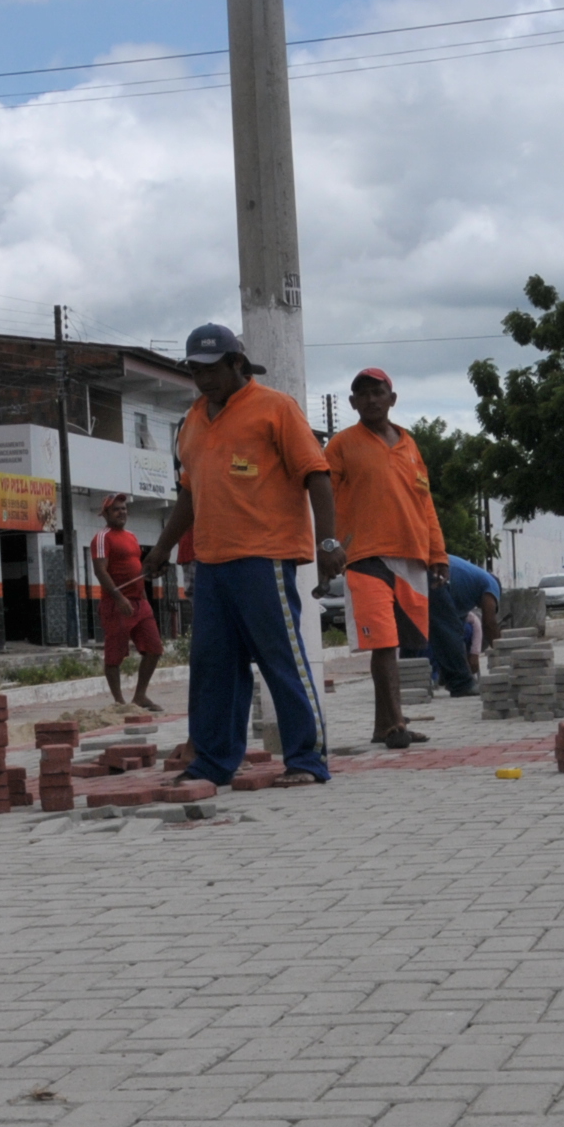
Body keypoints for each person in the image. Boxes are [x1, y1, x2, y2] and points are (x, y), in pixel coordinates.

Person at [147, 322, 339, 788]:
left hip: (265, 557)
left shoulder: (276, 408)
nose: (203, 378)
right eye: (195, 370)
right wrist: (162, 548)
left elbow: (317, 474)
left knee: (281, 659)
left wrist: (328, 543)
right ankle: (213, 762)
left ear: (237, 363)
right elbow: (189, 494)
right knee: (213, 665)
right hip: (211, 563)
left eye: (211, 369)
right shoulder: (192, 420)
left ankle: (306, 759)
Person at [322, 367, 448, 748]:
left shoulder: (410, 445)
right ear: (351, 403)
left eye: (378, 393)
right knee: (382, 641)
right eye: (362, 394)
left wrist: (438, 553)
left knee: (404, 642)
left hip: (411, 555)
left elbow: (425, 504)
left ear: (392, 398)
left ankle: (383, 725)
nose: (371, 400)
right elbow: (322, 497)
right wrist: (327, 545)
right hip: (363, 555)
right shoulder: (341, 445)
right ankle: (395, 725)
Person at [92, 492, 162, 710]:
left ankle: (140, 696)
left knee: (154, 649)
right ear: (105, 514)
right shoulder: (102, 537)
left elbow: (137, 568)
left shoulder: (132, 536)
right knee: (114, 656)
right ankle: (119, 702)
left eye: (123, 508)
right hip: (117, 604)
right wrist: (119, 597)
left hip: (140, 602)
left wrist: (151, 575)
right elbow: (100, 571)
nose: (122, 512)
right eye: (116, 509)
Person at [428, 552, 500, 697]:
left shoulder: (466, 594)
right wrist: (504, 653)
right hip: (438, 573)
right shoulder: (491, 584)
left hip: (428, 567)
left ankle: (409, 683)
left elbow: (456, 635)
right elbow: (489, 623)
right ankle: (461, 684)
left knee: (425, 631)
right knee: (448, 631)